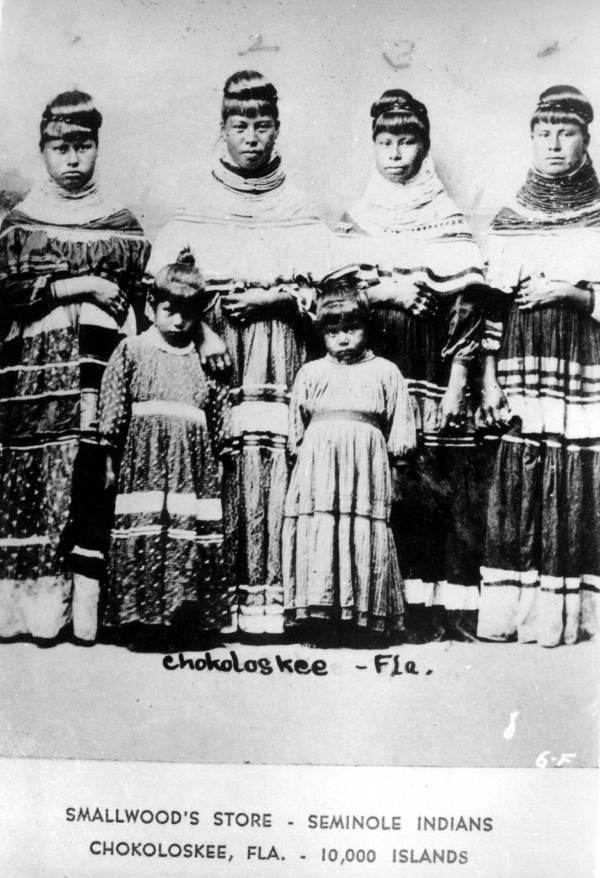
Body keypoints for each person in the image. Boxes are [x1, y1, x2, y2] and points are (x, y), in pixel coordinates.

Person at [147, 70, 338, 636]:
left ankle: (275, 604)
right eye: (239, 125)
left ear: (277, 129)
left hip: (282, 354)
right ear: (223, 129)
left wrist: (280, 295)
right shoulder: (196, 204)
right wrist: (204, 332)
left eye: (261, 125)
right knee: (219, 461)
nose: (251, 136)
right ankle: (214, 605)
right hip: (215, 354)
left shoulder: (298, 205)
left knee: (278, 464)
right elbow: (163, 287)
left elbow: (334, 297)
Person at [337, 89, 487, 640]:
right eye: (385, 142)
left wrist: (457, 385)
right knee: (383, 478)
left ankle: (443, 610)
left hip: (431, 365)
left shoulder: (446, 216)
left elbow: (469, 306)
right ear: (372, 146)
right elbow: (337, 302)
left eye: (407, 142)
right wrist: (392, 292)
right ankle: (384, 605)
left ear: (425, 146)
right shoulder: (357, 218)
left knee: (440, 480)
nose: (396, 154)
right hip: (376, 366)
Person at [0, 91, 150, 644]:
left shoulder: (121, 225)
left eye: (83, 147)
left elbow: (140, 300)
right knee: (37, 473)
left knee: (92, 470)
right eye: (60, 148)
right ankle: (32, 614)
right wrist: (80, 283)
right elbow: (6, 292)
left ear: (97, 149)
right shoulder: (19, 225)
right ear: (42, 151)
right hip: (37, 370)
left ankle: (86, 615)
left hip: (98, 365)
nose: (72, 159)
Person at [478, 85, 600, 646]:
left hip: (582, 364)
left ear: (586, 139)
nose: (554, 144)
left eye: (566, 132)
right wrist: (487, 376)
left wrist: (573, 295)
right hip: (522, 362)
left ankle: (569, 616)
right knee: (523, 471)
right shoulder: (509, 219)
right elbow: (490, 308)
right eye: (543, 133)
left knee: (575, 474)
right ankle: (516, 613)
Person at [98, 262, 230, 647]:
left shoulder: (202, 357)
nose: (178, 321)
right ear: (152, 305)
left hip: (193, 462)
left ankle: (182, 623)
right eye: (169, 310)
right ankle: (142, 622)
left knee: (186, 534)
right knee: (147, 531)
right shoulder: (133, 349)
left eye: (188, 314)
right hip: (145, 460)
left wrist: (221, 456)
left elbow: (219, 406)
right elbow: (113, 403)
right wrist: (109, 455)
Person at [282, 272, 416, 646]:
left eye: (352, 329)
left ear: (366, 328)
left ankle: (364, 622)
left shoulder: (386, 372)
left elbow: (401, 429)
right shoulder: (310, 372)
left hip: (366, 467)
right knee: (324, 532)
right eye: (332, 331)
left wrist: (397, 469)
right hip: (320, 468)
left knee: (361, 534)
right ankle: (322, 620)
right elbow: (296, 428)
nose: (342, 338)